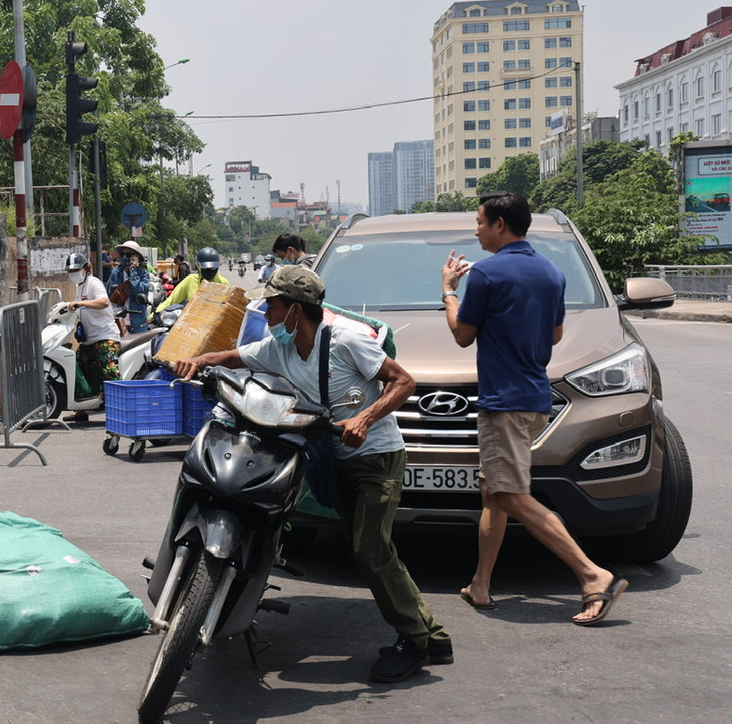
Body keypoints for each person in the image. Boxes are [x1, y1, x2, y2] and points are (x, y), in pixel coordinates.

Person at [173, 265, 451, 682]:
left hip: (376, 458)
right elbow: (232, 357)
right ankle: (433, 635)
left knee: (369, 550)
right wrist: (196, 362)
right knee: (366, 548)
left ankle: (414, 642)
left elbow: (403, 382)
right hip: (330, 458)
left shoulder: (347, 341)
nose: (265, 311)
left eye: (272, 303)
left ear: (295, 311)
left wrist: (366, 419)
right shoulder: (279, 347)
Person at [441, 192, 627, 625]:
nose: (476, 230)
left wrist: (449, 291)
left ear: (500, 225)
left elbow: (462, 335)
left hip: (503, 402)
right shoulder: (551, 271)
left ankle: (592, 574)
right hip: (534, 398)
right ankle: (481, 584)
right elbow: (556, 334)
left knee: (508, 494)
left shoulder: (485, 275)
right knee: (494, 492)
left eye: (480, 222)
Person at [65, 252, 121, 424]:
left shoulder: (93, 283)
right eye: (71, 270)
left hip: (106, 337)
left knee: (110, 371)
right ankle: (80, 410)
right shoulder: (79, 287)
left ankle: (119, 410)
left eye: (76, 269)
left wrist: (81, 304)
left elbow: (104, 302)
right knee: (77, 366)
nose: (74, 273)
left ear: (86, 269)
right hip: (89, 339)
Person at [155, 246, 227, 312]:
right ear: (198, 266)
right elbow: (171, 301)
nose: (210, 270)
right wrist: (155, 314)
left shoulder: (223, 283)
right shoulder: (190, 280)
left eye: (212, 268)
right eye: (206, 268)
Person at [105, 240, 152, 332]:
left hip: (137, 322)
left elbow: (140, 291)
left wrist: (133, 270)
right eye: (122, 254)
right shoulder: (116, 272)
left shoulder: (143, 274)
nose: (125, 257)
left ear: (136, 256)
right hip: (119, 321)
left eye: (128, 255)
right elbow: (108, 294)